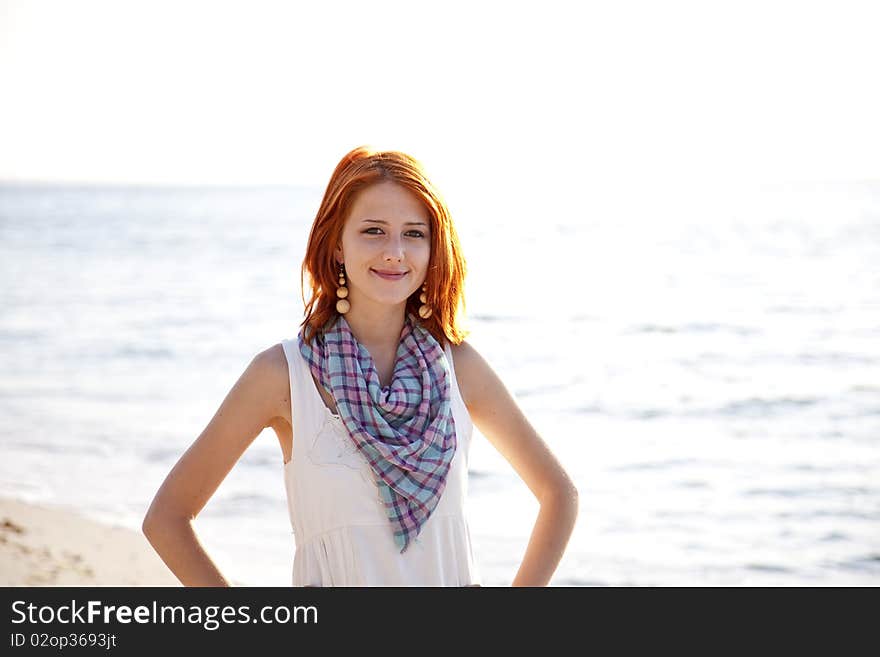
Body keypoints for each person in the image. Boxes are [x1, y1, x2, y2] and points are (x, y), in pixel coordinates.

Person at [142, 146, 579, 586]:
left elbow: (559, 495)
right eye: (373, 231)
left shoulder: (459, 367)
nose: (395, 252)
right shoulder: (282, 374)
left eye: (413, 234)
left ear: (433, 247)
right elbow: (167, 519)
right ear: (336, 245)